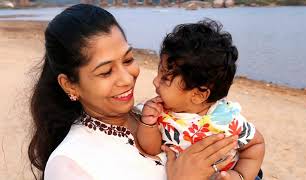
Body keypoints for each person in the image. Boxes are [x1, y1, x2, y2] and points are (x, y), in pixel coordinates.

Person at [28, 4, 239, 180]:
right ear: (69, 85)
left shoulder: (156, 114)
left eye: (128, 60)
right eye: (106, 72)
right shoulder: (69, 166)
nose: (127, 79)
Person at [136, 20, 265, 180]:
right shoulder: (160, 113)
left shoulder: (227, 120)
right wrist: (148, 124)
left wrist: (240, 175)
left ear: (198, 95)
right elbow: (152, 148)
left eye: (164, 77)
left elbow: (256, 145)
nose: (155, 81)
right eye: (159, 73)